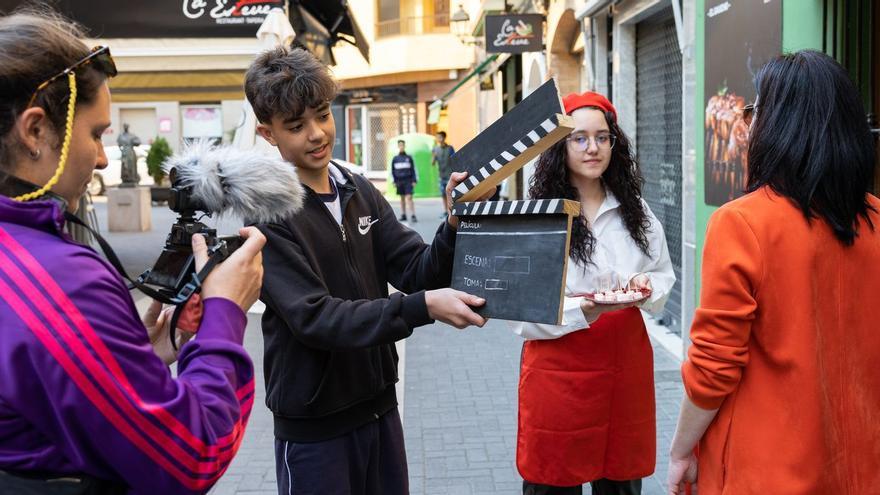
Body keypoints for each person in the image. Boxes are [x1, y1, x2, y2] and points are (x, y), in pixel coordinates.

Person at [0, 10, 266, 494]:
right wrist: (226, 312)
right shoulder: (62, 281)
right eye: (96, 133)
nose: (103, 157)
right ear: (35, 130)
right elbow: (190, 455)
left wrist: (133, 358)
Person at [245, 45, 491, 495]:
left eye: (322, 115)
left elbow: (417, 270)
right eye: (296, 126)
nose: (317, 134)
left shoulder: (356, 189)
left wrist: (454, 223)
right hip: (315, 427)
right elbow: (316, 318)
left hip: (379, 407)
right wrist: (422, 308)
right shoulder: (267, 215)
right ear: (268, 133)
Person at [667, 50, 880, 495]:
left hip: (766, 470)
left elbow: (713, 368)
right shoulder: (875, 220)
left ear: (778, 124)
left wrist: (680, 449)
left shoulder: (741, 222)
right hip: (861, 467)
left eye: (754, 110)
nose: (747, 123)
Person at [508, 91, 675, 495]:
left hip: (624, 366)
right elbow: (521, 312)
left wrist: (645, 287)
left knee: (620, 481)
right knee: (552, 481)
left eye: (602, 137)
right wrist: (586, 309)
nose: (593, 148)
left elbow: (662, 274)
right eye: (579, 138)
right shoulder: (540, 216)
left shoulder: (636, 210)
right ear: (558, 145)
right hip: (558, 366)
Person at [391, 139, 417, 222]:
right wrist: (394, 181)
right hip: (399, 181)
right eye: (400, 145)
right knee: (402, 198)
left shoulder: (409, 158)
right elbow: (392, 171)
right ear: (398, 146)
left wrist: (414, 180)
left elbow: (413, 169)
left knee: (409, 197)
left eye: (402, 145)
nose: (401, 147)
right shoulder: (395, 158)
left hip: (408, 180)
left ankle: (413, 215)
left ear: (404, 146)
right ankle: (403, 214)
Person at [432, 130, 455, 215]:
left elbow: (454, 159)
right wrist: (434, 156)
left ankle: (451, 210)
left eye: (440, 137)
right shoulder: (435, 149)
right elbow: (433, 163)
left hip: (449, 175)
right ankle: (446, 211)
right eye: (437, 137)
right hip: (441, 176)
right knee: (443, 194)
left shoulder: (450, 148)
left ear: (444, 138)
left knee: (451, 194)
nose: (438, 139)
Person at [116, 122, 140, 186]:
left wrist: (134, 142)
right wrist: (121, 150)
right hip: (124, 153)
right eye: (124, 126)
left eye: (126, 126)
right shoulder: (121, 136)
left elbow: (138, 142)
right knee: (124, 166)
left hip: (130, 152)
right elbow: (119, 144)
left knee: (131, 166)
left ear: (128, 127)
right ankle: (125, 179)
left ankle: (132, 178)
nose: (125, 128)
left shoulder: (132, 135)